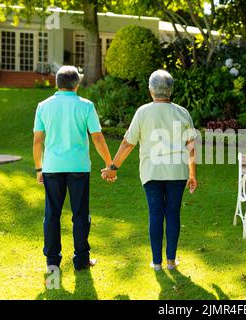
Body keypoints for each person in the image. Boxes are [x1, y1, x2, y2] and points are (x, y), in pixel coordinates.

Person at [101, 69, 198, 271]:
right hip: (177, 173)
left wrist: (113, 167)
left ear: (150, 90)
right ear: (170, 90)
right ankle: (171, 261)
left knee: (155, 214)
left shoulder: (143, 112)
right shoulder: (182, 113)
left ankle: (156, 263)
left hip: (151, 173)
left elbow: (128, 143)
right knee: (173, 214)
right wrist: (192, 174)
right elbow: (191, 146)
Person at [33, 66, 114, 271]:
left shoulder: (43, 106)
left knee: (52, 214)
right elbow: (97, 137)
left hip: (52, 167)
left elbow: (37, 142)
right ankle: (81, 259)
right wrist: (109, 164)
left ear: (56, 83)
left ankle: (52, 261)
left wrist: (38, 169)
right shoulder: (86, 106)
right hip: (78, 167)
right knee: (80, 213)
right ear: (77, 85)